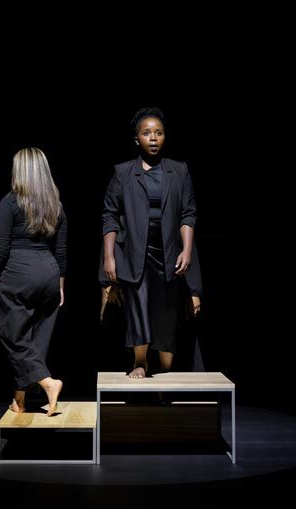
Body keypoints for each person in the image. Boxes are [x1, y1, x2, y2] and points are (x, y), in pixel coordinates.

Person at [101, 107, 202, 378]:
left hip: (168, 250)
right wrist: (109, 257)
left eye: (159, 133)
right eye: (147, 133)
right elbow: (110, 215)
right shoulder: (123, 172)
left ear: (165, 136)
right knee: (138, 304)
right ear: (137, 139)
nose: (153, 138)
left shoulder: (179, 171)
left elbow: (188, 213)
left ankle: (165, 368)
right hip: (135, 252)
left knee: (166, 311)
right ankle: (141, 361)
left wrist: (187, 250)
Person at [0, 147, 64, 416]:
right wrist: (60, 285)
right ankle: (19, 400)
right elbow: (61, 249)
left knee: (12, 335)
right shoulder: (56, 204)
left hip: (19, 274)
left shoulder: (10, 202)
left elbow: (1, 245)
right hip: (49, 274)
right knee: (35, 342)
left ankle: (48, 383)